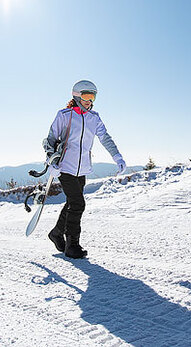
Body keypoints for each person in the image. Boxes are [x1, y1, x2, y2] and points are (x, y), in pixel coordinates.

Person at [42, 80, 126, 259]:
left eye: (93, 97)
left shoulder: (94, 117)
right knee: (78, 203)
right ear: (77, 96)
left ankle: (56, 233)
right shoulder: (64, 115)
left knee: (73, 202)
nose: (90, 101)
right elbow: (50, 140)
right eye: (87, 96)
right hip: (65, 167)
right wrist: (51, 162)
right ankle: (72, 245)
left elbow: (105, 138)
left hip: (83, 168)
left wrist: (117, 156)